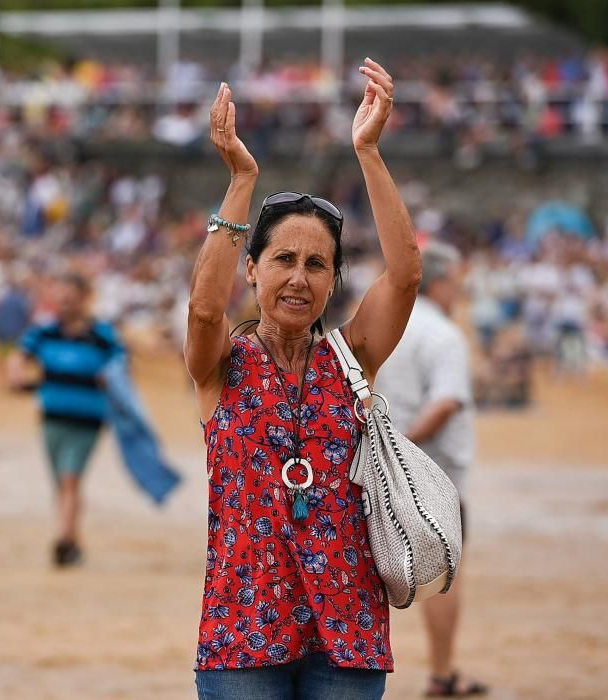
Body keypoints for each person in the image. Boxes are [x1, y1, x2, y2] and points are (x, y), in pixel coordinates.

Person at [186, 60, 421, 699]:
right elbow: (205, 308)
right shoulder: (222, 367)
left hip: (346, 636)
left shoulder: (353, 357)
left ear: (333, 281)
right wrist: (241, 179)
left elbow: (404, 278)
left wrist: (368, 151)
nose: (299, 276)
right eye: (283, 259)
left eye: (317, 264)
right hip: (243, 633)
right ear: (253, 270)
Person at [374, 242, 488, 698]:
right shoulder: (443, 334)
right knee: (443, 577)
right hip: (431, 476)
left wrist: (383, 452)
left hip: (374, 468)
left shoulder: (383, 324)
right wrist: (405, 451)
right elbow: (446, 402)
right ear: (440, 283)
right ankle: (442, 673)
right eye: (455, 284)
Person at [8, 271, 125, 567]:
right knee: (62, 482)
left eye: (70, 299)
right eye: (60, 299)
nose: (64, 305)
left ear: (85, 299)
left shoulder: (102, 336)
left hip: (87, 421)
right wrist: (17, 373)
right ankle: (72, 539)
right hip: (52, 420)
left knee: (70, 478)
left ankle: (64, 540)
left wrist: (110, 378)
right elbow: (19, 356)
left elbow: (121, 367)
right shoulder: (44, 332)